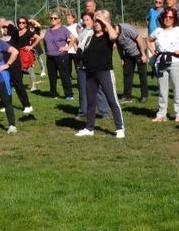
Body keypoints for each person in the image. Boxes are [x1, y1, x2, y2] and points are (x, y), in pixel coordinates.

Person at [75, 10, 126, 138]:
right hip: (90, 72)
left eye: (99, 21)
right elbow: (81, 47)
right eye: (95, 20)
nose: (97, 23)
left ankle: (120, 128)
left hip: (104, 72)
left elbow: (114, 37)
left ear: (105, 21)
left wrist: (105, 22)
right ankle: (89, 128)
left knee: (112, 99)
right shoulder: (90, 35)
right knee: (91, 102)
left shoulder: (108, 35)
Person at [148, 7, 179, 122]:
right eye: (166, 17)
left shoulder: (178, 30)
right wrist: (154, 51)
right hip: (161, 62)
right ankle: (161, 114)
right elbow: (148, 40)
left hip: (175, 62)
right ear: (163, 18)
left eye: (170, 17)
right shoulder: (158, 31)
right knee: (162, 90)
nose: (168, 19)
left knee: (178, 88)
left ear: (174, 19)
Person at [0, 17, 34, 114]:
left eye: (6, 27)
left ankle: (27, 105)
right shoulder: (1, 39)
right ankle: (7, 105)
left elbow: (14, 30)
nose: (4, 29)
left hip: (14, 65)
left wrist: (7, 23)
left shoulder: (14, 37)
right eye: (3, 27)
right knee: (5, 86)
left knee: (18, 85)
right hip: (4, 66)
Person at [114, 19, 149, 102]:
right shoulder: (113, 34)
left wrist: (143, 54)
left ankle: (144, 95)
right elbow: (119, 46)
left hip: (139, 52)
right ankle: (126, 95)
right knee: (127, 74)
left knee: (142, 74)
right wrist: (122, 58)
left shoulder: (126, 28)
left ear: (116, 28)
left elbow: (139, 39)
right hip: (128, 54)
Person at [44, 11, 75, 100]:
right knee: (52, 76)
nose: (53, 20)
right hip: (50, 57)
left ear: (59, 20)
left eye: (55, 18)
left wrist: (67, 48)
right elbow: (45, 41)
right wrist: (47, 51)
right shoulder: (48, 30)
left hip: (61, 56)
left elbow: (73, 38)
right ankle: (53, 94)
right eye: (51, 18)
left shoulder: (63, 29)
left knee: (64, 75)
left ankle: (69, 95)